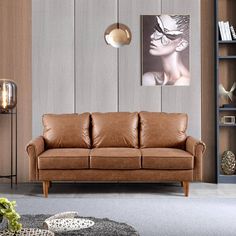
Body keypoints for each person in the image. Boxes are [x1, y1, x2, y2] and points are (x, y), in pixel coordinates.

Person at [142, 15, 190, 86]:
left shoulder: (184, 82)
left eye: (166, 33)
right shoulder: (149, 78)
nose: (152, 36)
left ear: (181, 45)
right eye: (157, 28)